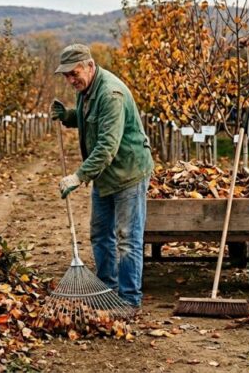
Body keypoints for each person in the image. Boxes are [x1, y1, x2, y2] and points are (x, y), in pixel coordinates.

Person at [51, 43, 154, 307]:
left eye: (74, 73)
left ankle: (129, 300)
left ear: (90, 66)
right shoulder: (87, 90)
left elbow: (107, 146)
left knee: (127, 239)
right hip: (105, 174)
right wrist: (69, 116)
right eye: (67, 76)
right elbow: (90, 119)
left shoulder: (110, 93)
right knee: (100, 233)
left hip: (128, 172)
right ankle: (108, 291)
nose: (71, 80)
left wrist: (78, 176)